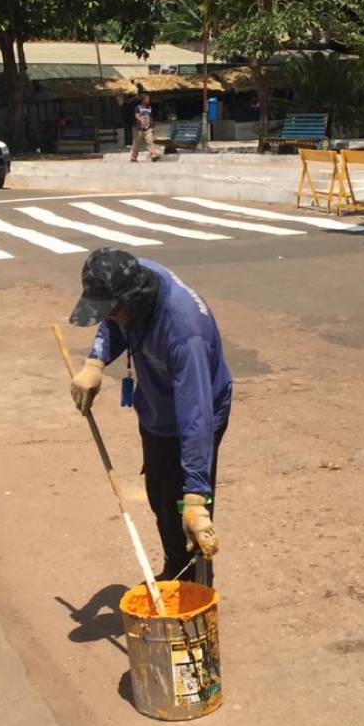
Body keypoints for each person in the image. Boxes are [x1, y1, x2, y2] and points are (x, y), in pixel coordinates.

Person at [69, 248, 231, 586]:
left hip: (198, 411)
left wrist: (197, 496)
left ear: (134, 301)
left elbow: (196, 417)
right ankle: (174, 570)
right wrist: (95, 362)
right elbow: (113, 321)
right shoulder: (134, 274)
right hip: (158, 405)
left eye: (115, 311)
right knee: (160, 493)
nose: (111, 317)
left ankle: (195, 590)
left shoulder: (186, 333)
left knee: (186, 510)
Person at [130, 87, 161, 163]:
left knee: (150, 141)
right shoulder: (138, 107)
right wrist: (140, 120)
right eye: (147, 99)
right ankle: (133, 157)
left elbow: (150, 117)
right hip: (139, 129)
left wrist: (152, 124)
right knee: (136, 144)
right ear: (143, 100)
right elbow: (136, 115)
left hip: (148, 128)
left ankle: (154, 154)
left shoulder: (149, 108)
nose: (148, 100)